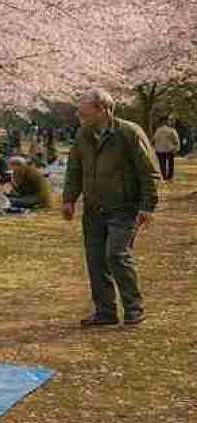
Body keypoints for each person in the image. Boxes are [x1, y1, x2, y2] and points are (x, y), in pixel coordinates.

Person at [62, 89, 160, 327]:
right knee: (96, 261)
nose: (80, 117)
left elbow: (149, 172)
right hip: (94, 209)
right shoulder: (83, 135)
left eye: (84, 112)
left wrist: (148, 206)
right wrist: (69, 199)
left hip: (124, 207)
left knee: (116, 255)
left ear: (102, 109)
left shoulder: (129, 133)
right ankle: (105, 312)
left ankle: (134, 309)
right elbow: (74, 169)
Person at [152, 116, 179, 181]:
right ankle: (170, 176)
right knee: (170, 163)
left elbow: (153, 139)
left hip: (159, 149)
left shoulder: (158, 130)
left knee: (162, 163)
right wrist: (176, 148)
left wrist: (154, 147)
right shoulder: (171, 130)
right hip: (169, 149)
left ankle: (163, 176)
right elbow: (176, 139)